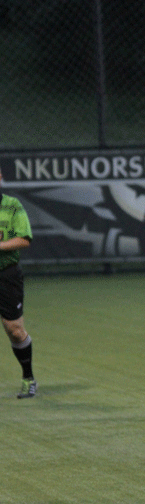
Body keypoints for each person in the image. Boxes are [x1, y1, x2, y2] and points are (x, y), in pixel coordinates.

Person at [0, 171, 37, 399]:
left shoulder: (12, 206)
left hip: (6, 274)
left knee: (15, 330)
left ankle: (28, 378)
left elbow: (24, 238)